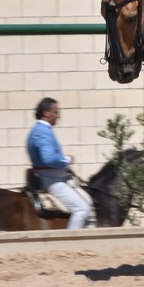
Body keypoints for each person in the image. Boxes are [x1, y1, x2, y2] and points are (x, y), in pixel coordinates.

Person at [25, 97, 93, 229]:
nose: (58, 115)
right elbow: (49, 159)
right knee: (82, 209)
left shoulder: (39, 130)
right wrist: (66, 160)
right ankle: (71, 243)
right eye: (56, 112)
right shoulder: (42, 132)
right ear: (46, 113)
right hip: (52, 180)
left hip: (54, 177)